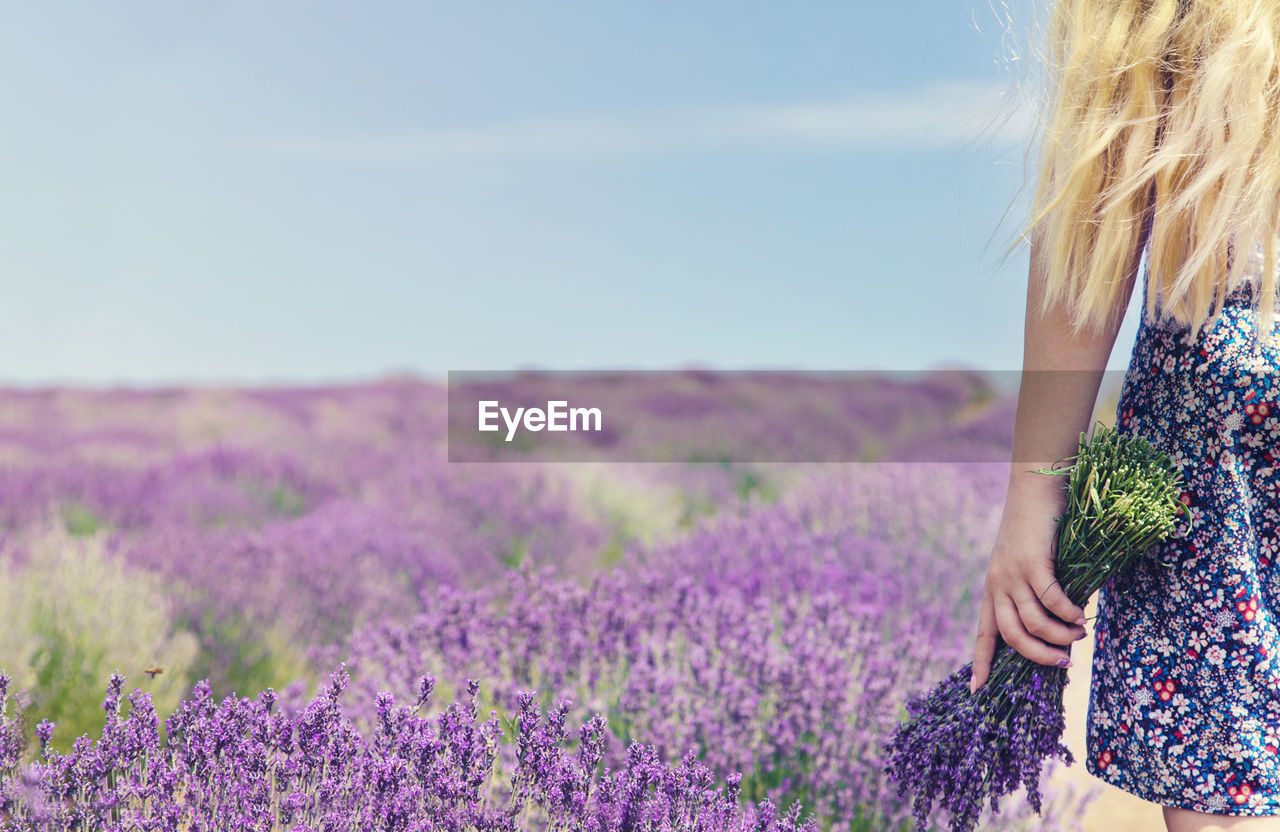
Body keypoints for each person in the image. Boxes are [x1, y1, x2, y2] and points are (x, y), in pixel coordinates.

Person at [968, 0, 1280, 829]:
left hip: (1227, 417)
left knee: (1228, 795)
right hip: (1233, 414)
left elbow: (1096, 206)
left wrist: (1037, 492)